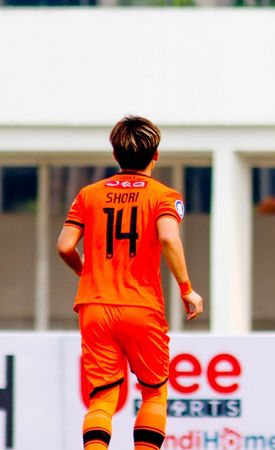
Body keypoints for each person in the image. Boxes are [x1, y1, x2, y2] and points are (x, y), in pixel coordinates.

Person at [57, 116, 204, 450]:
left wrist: (87, 273)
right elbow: (169, 238)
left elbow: (65, 246)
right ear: (156, 155)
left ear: (114, 154)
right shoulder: (164, 196)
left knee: (103, 396)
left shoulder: (88, 195)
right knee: (153, 392)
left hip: (94, 306)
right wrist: (187, 289)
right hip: (141, 306)